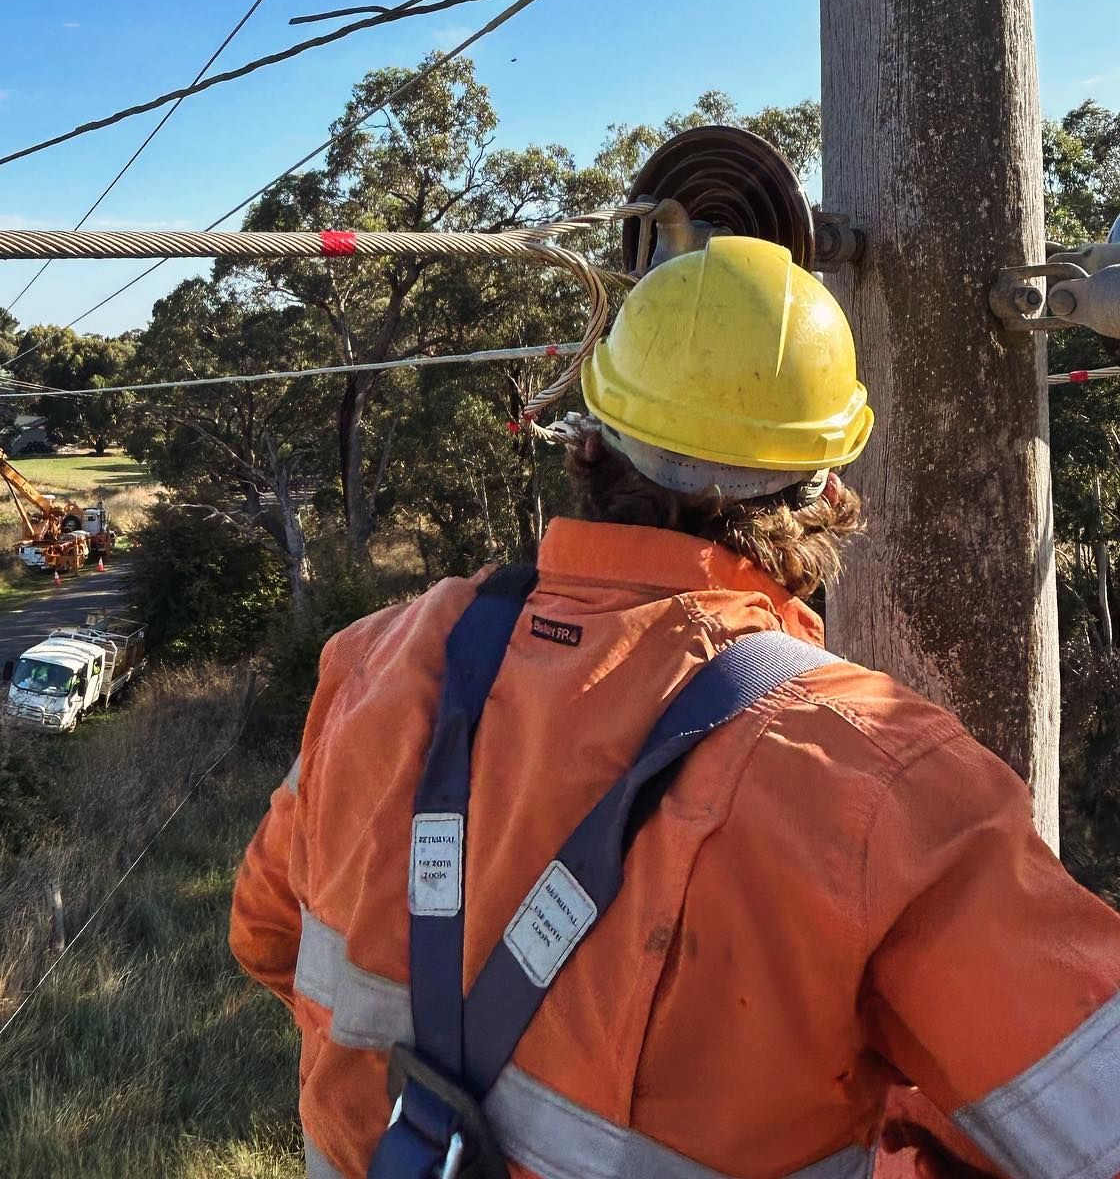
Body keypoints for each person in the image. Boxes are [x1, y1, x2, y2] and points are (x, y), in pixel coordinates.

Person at [230, 235, 1120, 1179]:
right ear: (823, 486)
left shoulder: (377, 660)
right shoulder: (887, 789)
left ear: (593, 438)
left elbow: (265, 932)